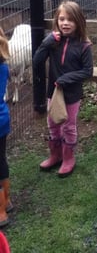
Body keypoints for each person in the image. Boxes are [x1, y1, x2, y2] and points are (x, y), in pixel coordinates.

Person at [33, 0, 93, 177]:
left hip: (71, 93)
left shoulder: (84, 46)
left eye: (70, 20)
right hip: (53, 91)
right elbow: (37, 62)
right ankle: (55, 155)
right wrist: (47, 42)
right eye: (61, 19)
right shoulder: (53, 42)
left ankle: (68, 158)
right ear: (57, 21)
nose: (65, 23)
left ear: (78, 22)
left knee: (68, 125)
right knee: (52, 122)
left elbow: (87, 71)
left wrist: (66, 79)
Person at [0, 27, 13, 227]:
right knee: (1, 160)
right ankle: (7, 201)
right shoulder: (3, 67)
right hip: (3, 118)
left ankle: (1, 212)